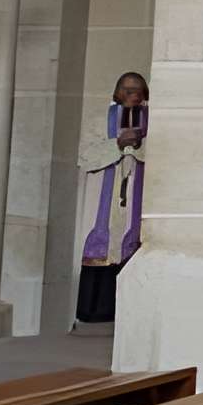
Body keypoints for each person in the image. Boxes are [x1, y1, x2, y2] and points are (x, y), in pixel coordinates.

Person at [74, 71, 148, 324]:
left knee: (131, 241)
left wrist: (140, 145)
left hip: (137, 192)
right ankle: (94, 311)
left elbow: (164, 155)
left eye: (138, 90)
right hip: (103, 197)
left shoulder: (154, 121)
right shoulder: (99, 121)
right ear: (117, 93)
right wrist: (117, 144)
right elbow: (85, 155)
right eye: (128, 90)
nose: (133, 95)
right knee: (101, 245)